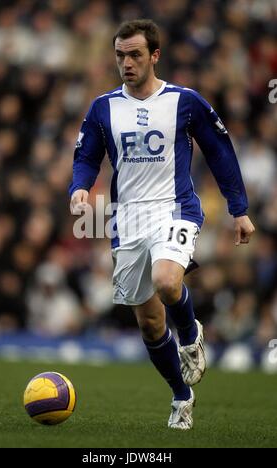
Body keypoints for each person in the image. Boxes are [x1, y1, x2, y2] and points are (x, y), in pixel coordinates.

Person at [69, 19, 255, 430]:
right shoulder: (104, 107)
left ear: (155, 55)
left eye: (135, 54)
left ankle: (190, 336)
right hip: (127, 219)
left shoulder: (184, 101)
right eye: (120, 55)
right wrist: (80, 188)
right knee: (150, 323)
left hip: (175, 208)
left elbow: (220, 151)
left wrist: (238, 208)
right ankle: (181, 395)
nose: (126, 63)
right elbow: (86, 157)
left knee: (169, 282)